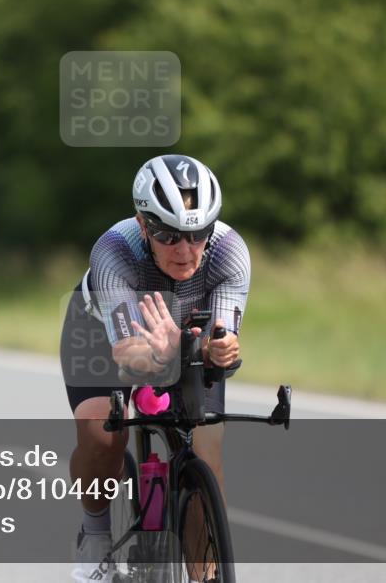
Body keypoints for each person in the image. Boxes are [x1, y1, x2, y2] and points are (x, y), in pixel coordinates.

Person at [60, 154, 250, 582]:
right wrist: (165, 354)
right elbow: (128, 354)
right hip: (99, 334)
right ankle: (94, 535)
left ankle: (202, 573)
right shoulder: (114, 252)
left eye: (197, 233)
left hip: (181, 338)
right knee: (102, 432)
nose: (185, 251)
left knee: (207, 446)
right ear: (143, 225)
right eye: (167, 235)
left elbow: (222, 340)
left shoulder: (230, 253)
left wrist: (219, 351)